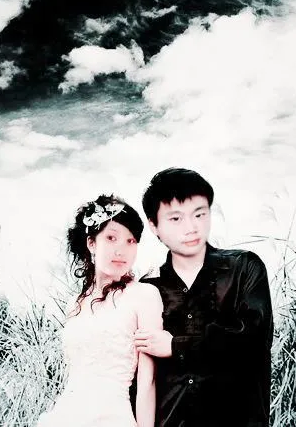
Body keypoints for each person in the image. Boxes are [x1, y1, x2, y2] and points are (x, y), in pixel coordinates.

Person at [133, 168, 274, 427]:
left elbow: (251, 341)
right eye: (176, 219)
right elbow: (141, 380)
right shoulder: (147, 289)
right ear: (154, 226)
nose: (191, 228)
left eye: (199, 214)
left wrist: (176, 347)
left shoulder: (243, 268)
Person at [36, 194, 163, 427]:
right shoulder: (75, 303)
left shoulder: (144, 296)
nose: (121, 250)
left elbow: (148, 382)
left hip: (112, 417)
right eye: (111, 238)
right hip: (65, 416)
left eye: (131, 241)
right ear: (91, 243)